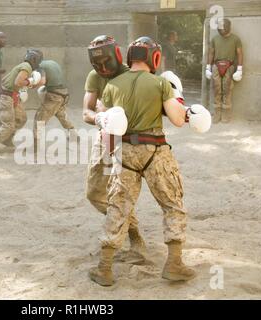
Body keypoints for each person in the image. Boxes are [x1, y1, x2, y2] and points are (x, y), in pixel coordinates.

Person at [88, 36, 196, 286]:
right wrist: (184, 105)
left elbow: (103, 120)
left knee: (118, 207)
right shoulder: (160, 83)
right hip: (156, 151)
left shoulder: (112, 85)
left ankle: (104, 268)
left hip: (124, 152)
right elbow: (179, 119)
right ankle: (174, 264)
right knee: (172, 204)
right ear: (154, 58)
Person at [83, 35, 147, 263]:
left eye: (106, 63)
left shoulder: (133, 74)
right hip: (106, 138)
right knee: (94, 193)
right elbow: (86, 112)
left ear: (117, 56)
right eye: (96, 65)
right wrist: (102, 117)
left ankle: (135, 236)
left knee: (120, 194)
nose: (102, 68)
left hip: (130, 142)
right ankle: (131, 228)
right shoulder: (95, 76)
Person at [0, 49, 43, 160]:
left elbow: (13, 82)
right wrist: (30, 81)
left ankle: (6, 139)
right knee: (8, 125)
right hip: (6, 97)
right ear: (34, 60)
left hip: (10, 96)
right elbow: (18, 82)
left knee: (21, 118)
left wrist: (27, 85)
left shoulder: (23, 65)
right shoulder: (27, 67)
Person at [33, 59, 75, 153]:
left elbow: (42, 81)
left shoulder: (39, 67)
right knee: (61, 115)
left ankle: (36, 148)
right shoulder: (52, 63)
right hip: (64, 93)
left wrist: (32, 84)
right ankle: (74, 136)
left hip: (54, 95)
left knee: (39, 119)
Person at [206, 18, 243, 123]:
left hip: (229, 66)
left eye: (223, 28)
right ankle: (217, 113)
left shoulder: (236, 39)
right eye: (220, 28)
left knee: (227, 89)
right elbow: (211, 53)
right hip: (216, 66)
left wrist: (240, 68)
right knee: (216, 88)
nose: (221, 30)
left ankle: (226, 114)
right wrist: (208, 67)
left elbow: (240, 53)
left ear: (228, 27)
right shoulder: (215, 39)